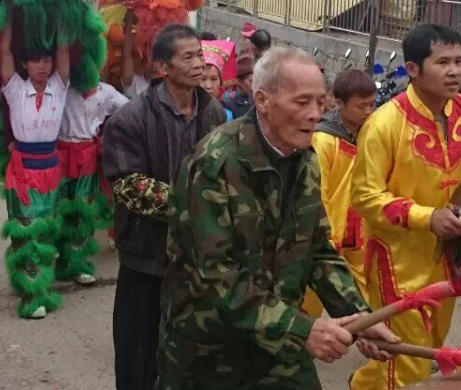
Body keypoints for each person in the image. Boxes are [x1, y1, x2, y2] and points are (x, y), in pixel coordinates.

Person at [157, 47, 398, 389]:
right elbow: (215, 275)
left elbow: (317, 249)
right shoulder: (214, 165)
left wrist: (359, 315)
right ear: (262, 99)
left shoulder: (305, 160)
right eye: (302, 102)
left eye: (320, 101)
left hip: (277, 342)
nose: (316, 114)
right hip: (209, 350)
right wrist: (302, 329)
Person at [350, 24, 461, 389]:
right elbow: (366, 197)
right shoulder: (385, 124)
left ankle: (364, 384)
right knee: (408, 362)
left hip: (449, 258)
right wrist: (426, 217)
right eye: (443, 62)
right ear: (413, 69)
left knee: (427, 348)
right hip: (398, 263)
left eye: (459, 61)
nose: (454, 71)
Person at [103, 24, 227, 390]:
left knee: (194, 356)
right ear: (161, 67)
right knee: (138, 357)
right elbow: (128, 185)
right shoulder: (131, 118)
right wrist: (194, 202)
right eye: (186, 57)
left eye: (200, 55)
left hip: (198, 260)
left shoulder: (214, 113)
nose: (198, 65)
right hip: (147, 258)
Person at [0, 15, 72, 320]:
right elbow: (4, 53)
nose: (42, 66)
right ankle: (31, 293)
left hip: (51, 168)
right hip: (22, 170)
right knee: (24, 228)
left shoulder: (59, 86)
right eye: (35, 61)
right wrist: (8, 19)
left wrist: (62, 15)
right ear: (24, 66)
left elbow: (64, 52)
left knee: (45, 230)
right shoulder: (14, 89)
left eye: (46, 60)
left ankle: (38, 280)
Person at [303, 69, 378, 317]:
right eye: (361, 106)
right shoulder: (323, 140)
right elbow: (318, 190)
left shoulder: (371, 135)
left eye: (372, 105)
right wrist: (324, 232)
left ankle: (373, 336)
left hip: (360, 227)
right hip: (330, 229)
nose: (369, 112)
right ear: (339, 102)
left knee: (365, 286)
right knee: (312, 290)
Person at [56, 81, 128, 282]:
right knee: (59, 209)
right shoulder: (62, 87)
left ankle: (79, 264)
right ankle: (61, 259)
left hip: (87, 154)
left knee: (84, 209)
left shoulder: (107, 91)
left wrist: (108, 133)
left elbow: (129, 110)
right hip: (60, 153)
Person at [200, 39, 236, 120]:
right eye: (203, 79)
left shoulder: (226, 116)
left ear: (220, 83)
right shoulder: (185, 114)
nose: (208, 86)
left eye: (214, 79)